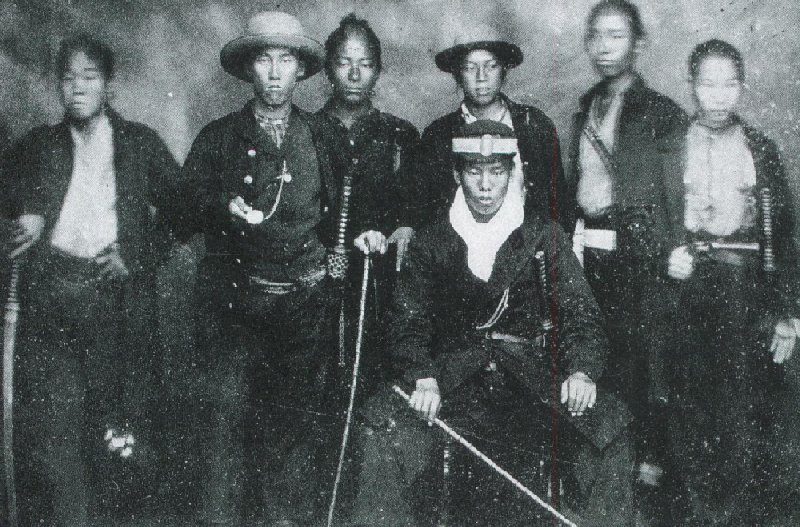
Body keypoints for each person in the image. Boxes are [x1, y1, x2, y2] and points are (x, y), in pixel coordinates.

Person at [349, 120, 634, 527]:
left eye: (496, 172)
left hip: (530, 380)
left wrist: (582, 371)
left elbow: (581, 314)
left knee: (609, 424)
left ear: (511, 172)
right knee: (382, 422)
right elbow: (407, 321)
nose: (485, 185)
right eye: (474, 171)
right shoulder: (432, 240)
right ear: (457, 175)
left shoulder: (543, 236)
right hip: (454, 380)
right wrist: (422, 377)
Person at [171, 11, 350, 527]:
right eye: (265, 59)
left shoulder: (324, 136)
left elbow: (343, 211)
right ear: (249, 68)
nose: (274, 72)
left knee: (292, 432)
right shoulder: (219, 137)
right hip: (237, 309)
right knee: (224, 425)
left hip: (305, 311)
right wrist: (220, 206)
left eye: (285, 59)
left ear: (301, 69)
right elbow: (181, 210)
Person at [0, 34, 179, 525]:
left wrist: (136, 257)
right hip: (50, 301)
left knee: (112, 439)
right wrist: (26, 209)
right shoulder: (40, 145)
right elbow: (8, 189)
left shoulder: (138, 143)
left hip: (113, 305)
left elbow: (187, 209)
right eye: (67, 78)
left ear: (109, 86)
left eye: (89, 77)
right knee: (55, 435)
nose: (77, 88)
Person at [661, 39, 798, 525]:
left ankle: (737, 515)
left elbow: (784, 235)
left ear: (741, 88)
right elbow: (650, 217)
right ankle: (697, 513)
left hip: (743, 291)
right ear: (691, 85)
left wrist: (789, 313)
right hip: (685, 289)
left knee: (741, 408)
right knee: (687, 407)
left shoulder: (759, 148)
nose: (718, 96)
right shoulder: (670, 144)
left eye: (729, 85)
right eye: (707, 84)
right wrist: (666, 255)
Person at [568, 0, 688, 511]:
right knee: (597, 360)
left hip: (642, 257)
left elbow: (676, 195)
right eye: (596, 36)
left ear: (639, 44)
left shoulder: (662, 112)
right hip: (591, 252)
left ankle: (647, 489)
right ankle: (603, 484)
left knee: (645, 369)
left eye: (616, 36)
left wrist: (673, 248)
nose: (604, 46)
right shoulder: (585, 108)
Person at [317, 13, 420, 393]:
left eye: (366, 64)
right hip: (316, 277)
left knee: (374, 375)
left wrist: (401, 228)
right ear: (328, 69)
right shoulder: (307, 130)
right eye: (344, 62)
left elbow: (416, 209)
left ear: (378, 70)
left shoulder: (400, 135)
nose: (354, 74)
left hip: (378, 281)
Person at [410, 26, 572, 232]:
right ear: (458, 74)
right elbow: (425, 210)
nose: (481, 77)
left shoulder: (535, 124)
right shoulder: (438, 134)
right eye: (470, 68)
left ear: (504, 70)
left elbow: (558, 203)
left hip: (527, 244)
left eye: (491, 66)